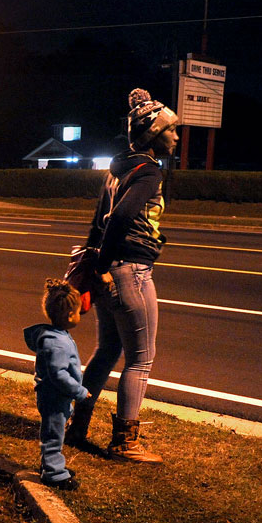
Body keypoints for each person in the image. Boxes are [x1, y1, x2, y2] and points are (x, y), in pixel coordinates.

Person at [66, 88, 178, 464]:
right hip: (131, 270)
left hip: (111, 270)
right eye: (171, 130)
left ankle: (75, 425)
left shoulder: (118, 171)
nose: (176, 137)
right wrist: (104, 269)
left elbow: (96, 223)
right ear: (152, 133)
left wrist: (95, 270)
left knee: (107, 351)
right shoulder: (148, 173)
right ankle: (125, 442)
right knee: (141, 359)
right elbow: (118, 219)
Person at [23, 279, 90, 490]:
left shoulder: (58, 336)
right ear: (70, 315)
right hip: (53, 396)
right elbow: (58, 374)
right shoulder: (57, 342)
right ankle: (54, 474)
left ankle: (49, 466)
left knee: (54, 431)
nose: (80, 316)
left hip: (56, 396)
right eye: (79, 311)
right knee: (53, 435)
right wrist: (79, 391)